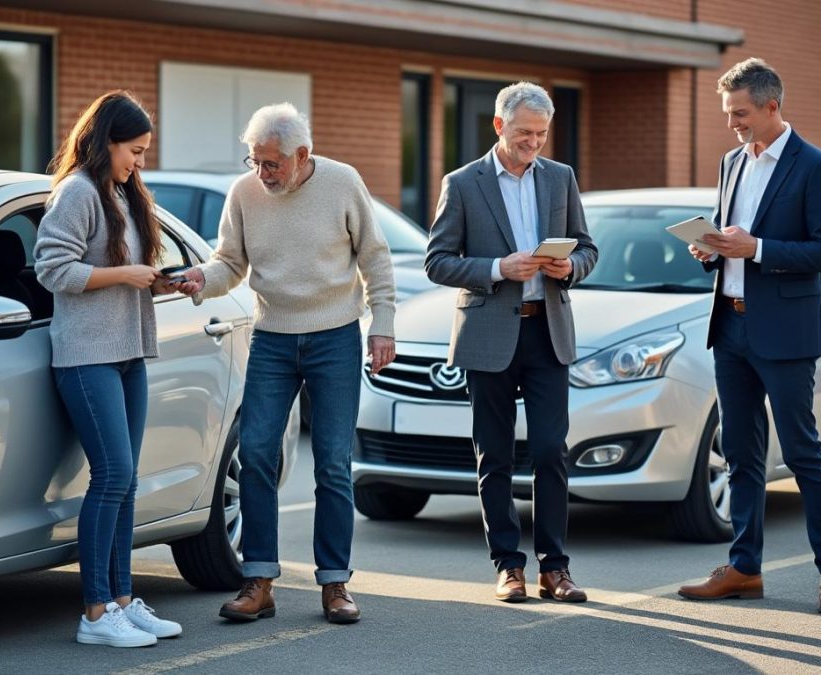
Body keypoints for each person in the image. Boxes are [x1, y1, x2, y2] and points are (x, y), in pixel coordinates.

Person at [174, 103, 396, 624]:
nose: (261, 174)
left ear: (302, 155)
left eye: (271, 164)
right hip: (272, 337)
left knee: (333, 463)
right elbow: (230, 262)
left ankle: (335, 583)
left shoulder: (343, 183)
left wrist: (382, 323)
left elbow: (375, 257)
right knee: (255, 452)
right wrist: (201, 281)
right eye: (255, 161)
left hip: (336, 336)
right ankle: (259, 580)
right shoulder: (245, 193)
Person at [678, 58, 821, 613]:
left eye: (741, 113)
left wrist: (756, 248)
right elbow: (727, 235)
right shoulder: (733, 161)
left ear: (772, 106)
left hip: (785, 332)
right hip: (729, 326)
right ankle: (743, 569)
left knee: (803, 454)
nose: (733, 124)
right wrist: (709, 248)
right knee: (741, 456)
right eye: (729, 113)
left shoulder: (816, 166)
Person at [425, 82, 597, 604]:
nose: (534, 143)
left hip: (547, 330)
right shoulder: (463, 183)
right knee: (494, 456)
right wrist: (499, 268)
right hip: (489, 334)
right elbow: (437, 261)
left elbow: (587, 248)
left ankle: (555, 569)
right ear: (499, 127)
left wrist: (570, 267)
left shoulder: (560, 178)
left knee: (550, 451)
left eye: (542, 134)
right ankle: (508, 566)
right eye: (525, 133)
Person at [35, 90, 185, 646]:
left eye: (144, 153)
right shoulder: (76, 191)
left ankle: (123, 599)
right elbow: (52, 269)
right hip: (85, 356)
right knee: (114, 476)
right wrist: (124, 276)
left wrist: (162, 279)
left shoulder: (121, 192)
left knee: (128, 481)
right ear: (106, 141)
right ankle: (95, 614)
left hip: (127, 353)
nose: (139, 162)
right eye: (135, 151)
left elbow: (125, 267)